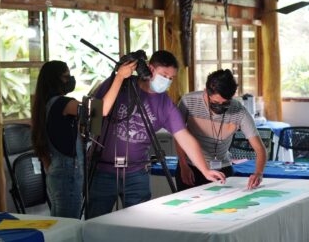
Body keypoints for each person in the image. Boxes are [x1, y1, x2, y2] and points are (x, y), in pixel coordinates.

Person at [88, 50, 226, 218]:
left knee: (139, 227)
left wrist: (204, 169)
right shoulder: (120, 84)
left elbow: (185, 137)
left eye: (171, 78)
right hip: (103, 169)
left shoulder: (164, 104)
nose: (167, 81)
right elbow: (98, 112)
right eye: (164, 75)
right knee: (94, 223)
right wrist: (119, 77)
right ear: (150, 69)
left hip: (137, 173)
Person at [31, 60, 133, 218]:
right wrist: (118, 78)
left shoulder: (46, 105)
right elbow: (100, 110)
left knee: (60, 222)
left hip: (56, 171)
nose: (70, 80)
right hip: (68, 172)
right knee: (69, 225)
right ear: (54, 80)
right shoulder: (63, 103)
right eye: (66, 77)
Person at [175, 69, 266, 191]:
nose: (219, 107)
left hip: (223, 169)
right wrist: (183, 166)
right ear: (206, 91)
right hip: (190, 167)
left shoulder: (239, 111)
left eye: (225, 103)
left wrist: (258, 173)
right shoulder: (188, 102)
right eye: (215, 102)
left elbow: (260, 149)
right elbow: (179, 136)